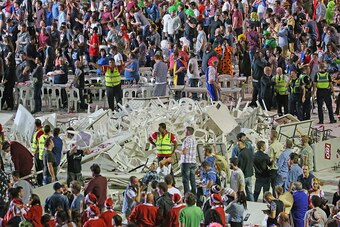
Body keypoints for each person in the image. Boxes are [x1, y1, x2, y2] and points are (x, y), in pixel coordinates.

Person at [178, 126, 197, 195]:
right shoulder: (194, 140)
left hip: (186, 163)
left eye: (185, 131)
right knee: (193, 180)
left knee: (186, 180)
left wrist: (176, 150)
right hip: (193, 162)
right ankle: (194, 195)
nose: (184, 132)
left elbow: (184, 152)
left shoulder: (187, 140)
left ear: (188, 131)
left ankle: (187, 195)